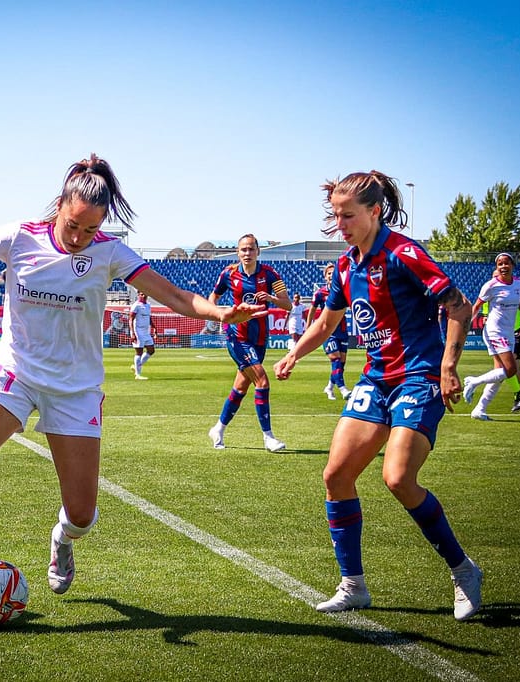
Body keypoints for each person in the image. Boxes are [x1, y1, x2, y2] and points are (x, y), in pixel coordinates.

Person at [0, 154, 267, 620]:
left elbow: (177, 296)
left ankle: (62, 538)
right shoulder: (19, 235)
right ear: (60, 204)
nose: (79, 238)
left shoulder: (110, 252)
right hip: (15, 372)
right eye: (73, 225)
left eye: (90, 230)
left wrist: (220, 312)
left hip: (76, 390)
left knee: (82, 514)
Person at [273, 170, 483, 622]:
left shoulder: (404, 254)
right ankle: (354, 585)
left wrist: (448, 366)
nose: (340, 224)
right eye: (335, 216)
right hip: (376, 380)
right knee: (336, 475)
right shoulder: (346, 266)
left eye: (348, 215)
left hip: (419, 376)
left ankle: (463, 570)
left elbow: (459, 305)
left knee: (398, 479)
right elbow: (327, 324)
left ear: (374, 211)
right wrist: (293, 355)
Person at [206, 234, 291, 453]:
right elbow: (212, 299)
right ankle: (268, 437)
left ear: (258, 251)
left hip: (260, 338)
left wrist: (271, 299)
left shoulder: (270, 274)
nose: (247, 253)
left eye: (251, 249)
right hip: (237, 336)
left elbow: (288, 304)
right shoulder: (229, 273)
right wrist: (220, 315)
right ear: (237, 252)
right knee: (262, 381)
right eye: (243, 249)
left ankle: (218, 429)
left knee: (240, 387)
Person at [462, 254, 520, 419]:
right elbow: (476, 307)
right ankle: (473, 382)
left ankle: (479, 410)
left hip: (509, 332)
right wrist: (465, 327)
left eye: (506, 263)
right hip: (494, 331)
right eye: (500, 264)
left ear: (512, 265)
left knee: (499, 373)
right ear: (497, 267)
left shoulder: (518, 284)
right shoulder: (491, 285)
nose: (503, 266)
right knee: (510, 370)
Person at [305, 264, 351, 401]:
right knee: (335, 359)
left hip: (342, 330)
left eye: (333, 273)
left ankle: (329, 387)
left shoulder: (342, 291)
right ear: (325, 276)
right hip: (327, 331)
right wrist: (308, 328)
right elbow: (312, 310)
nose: (331, 275)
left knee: (341, 363)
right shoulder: (320, 293)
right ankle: (343, 389)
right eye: (329, 273)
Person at [129, 291, 157, 379]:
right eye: (141, 294)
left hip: (146, 332)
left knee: (151, 350)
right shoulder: (136, 305)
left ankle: (136, 366)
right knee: (139, 352)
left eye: (145, 293)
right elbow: (131, 319)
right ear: (138, 295)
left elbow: (149, 317)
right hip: (138, 331)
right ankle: (138, 374)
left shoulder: (148, 305)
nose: (143, 295)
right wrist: (132, 333)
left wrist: (154, 328)